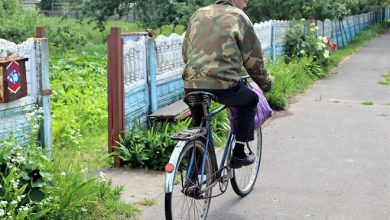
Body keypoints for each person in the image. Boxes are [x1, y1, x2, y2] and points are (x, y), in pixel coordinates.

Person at [182, 0, 273, 168]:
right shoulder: (238, 17)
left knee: (199, 123)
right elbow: (253, 59)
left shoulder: (198, 14)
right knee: (251, 99)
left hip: (191, 84)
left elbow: (186, 52)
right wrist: (265, 83)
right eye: (245, 0)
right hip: (224, 87)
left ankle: (194, 178)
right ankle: (239, 154)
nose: (246, 4)